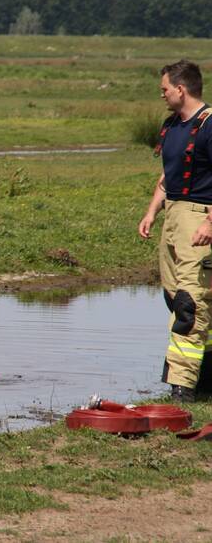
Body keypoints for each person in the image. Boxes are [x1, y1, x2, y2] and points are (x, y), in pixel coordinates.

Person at [138, 60, 212, 403]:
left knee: (190, 303)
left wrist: (210, 223)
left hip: (200, 218)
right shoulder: (171, 126)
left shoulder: (209, 126)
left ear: (181, 89)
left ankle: (182, 386)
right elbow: (167, 177)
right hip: (173, 218)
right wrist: (152, 213)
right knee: (175, 297)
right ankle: (207, 375)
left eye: (165, 89)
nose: (163, 95)